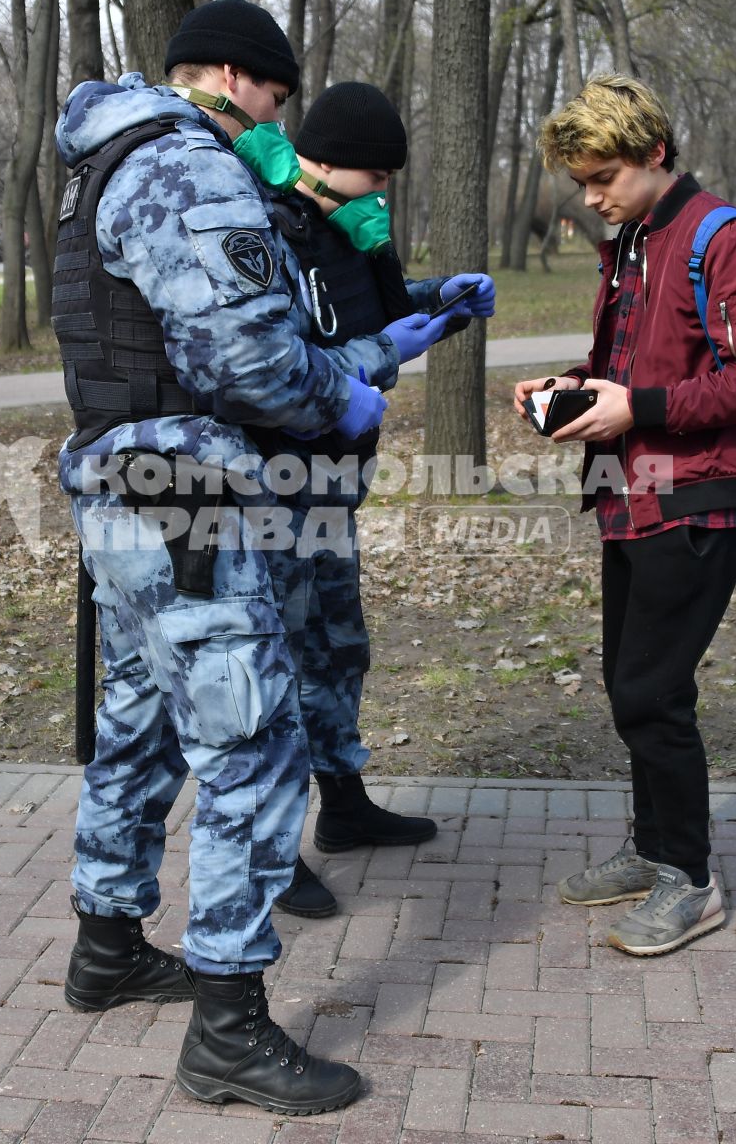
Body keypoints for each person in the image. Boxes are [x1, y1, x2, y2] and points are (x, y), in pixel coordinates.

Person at [51, 0, 378, 1114]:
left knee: (137, 731)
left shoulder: (106, 159)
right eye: (278, 103)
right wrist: (344, 393)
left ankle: (106, 944)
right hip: (187, 500)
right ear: (240, 78)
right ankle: (230, 1029)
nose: (277, 126)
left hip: (124, 497)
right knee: (253, 746)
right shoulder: (188, 163)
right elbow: (247, 357)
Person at [514, 74, 736, 956]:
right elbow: (627, 363)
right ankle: (651, 847)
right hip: (628, 497)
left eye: (602, 178)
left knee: (652, 691)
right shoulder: (631, 242)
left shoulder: (732, 241)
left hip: (700, 501)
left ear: (655, 154)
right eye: (581, 182)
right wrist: (569, 390)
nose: (591, 197)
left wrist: (640, 410)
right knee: (630, 682)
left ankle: (691, 881)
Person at [261, 81, 495, 919]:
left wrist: (442, 303)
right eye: (375, 172)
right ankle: (267, 849)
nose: (386, 189)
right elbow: (274, 361)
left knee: (336, 646)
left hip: (335, 484)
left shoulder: (353, 231)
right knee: (280, 665)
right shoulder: (268, 231)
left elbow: (384, 317)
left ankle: (344, 806)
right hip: (274, 486)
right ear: (323, 161)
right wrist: (378, 352)